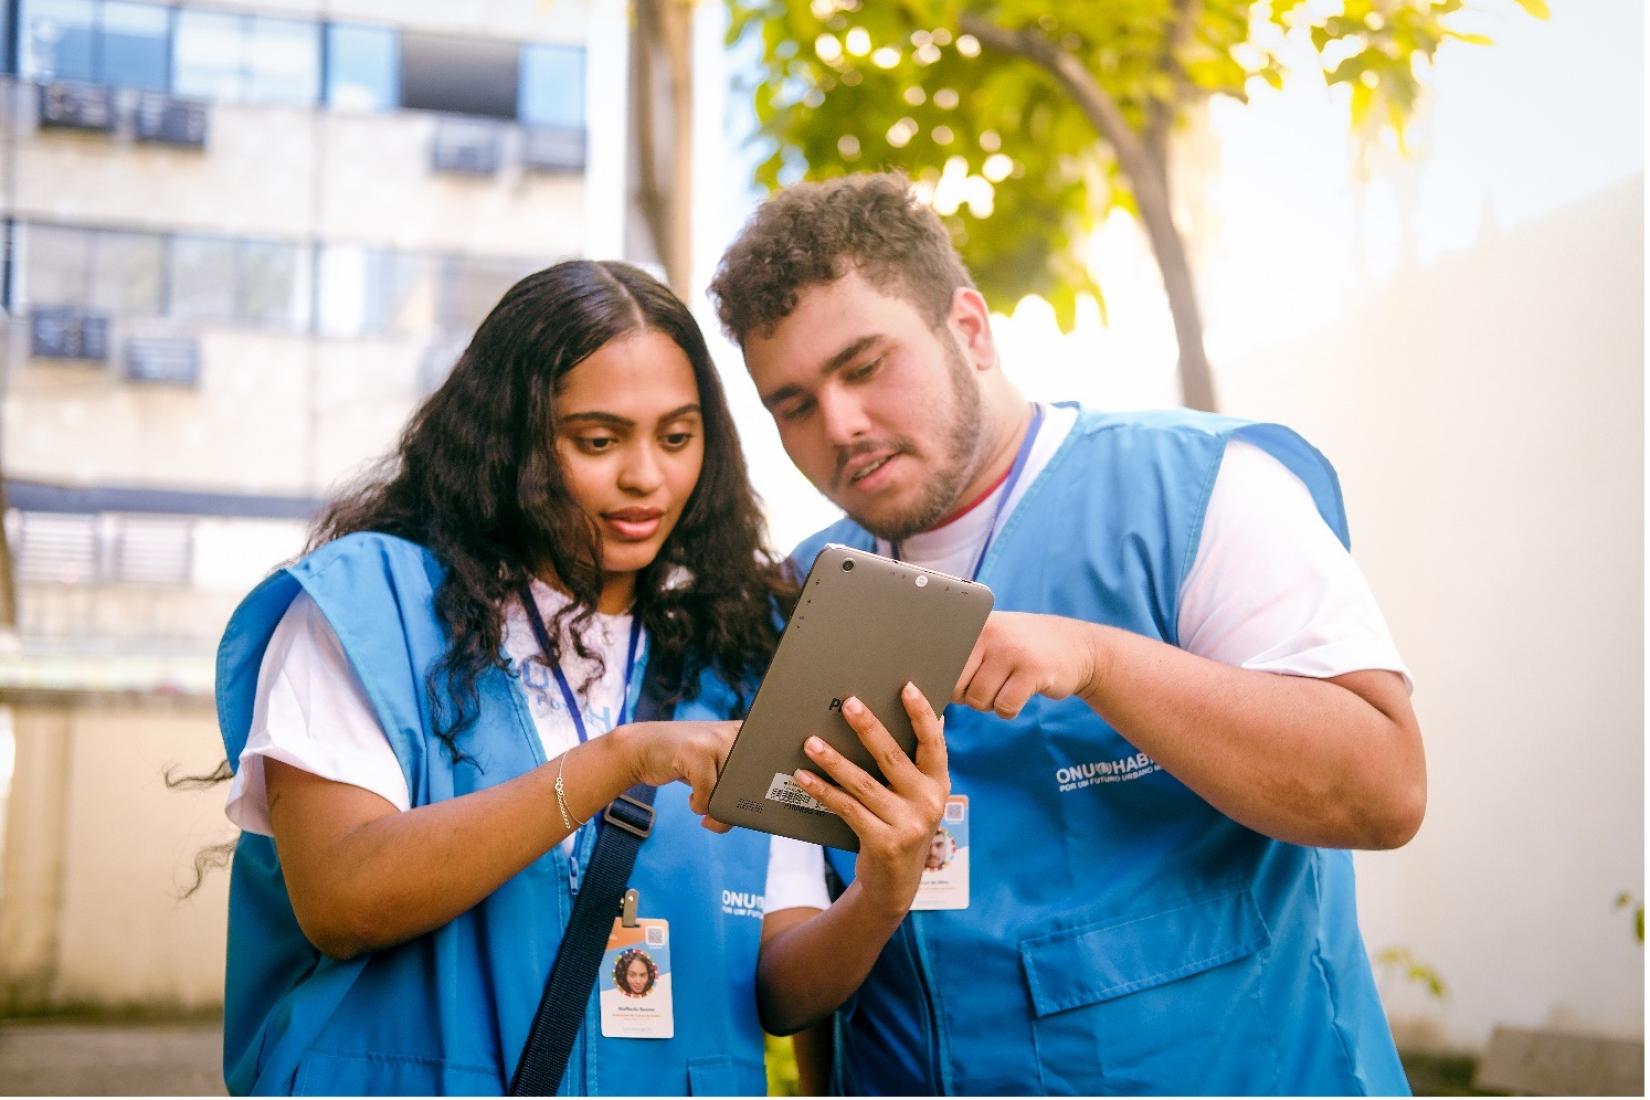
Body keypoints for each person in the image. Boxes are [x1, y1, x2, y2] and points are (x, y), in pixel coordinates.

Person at [708, 173, 1427, 1095]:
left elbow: (1384, 788)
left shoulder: (1201, 488)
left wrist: (1101, 662)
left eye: (865, 366)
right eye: (793, 403)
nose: (840, 424)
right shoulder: (799, 593)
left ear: (969, 329)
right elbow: (805, 954)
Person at [214, 259, 790, 1095]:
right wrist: (617, 761)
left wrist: (885, 881)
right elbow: (341, 898)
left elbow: (781, 985)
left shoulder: (733, 647)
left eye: (677, 436)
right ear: (511, 441)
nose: (646, 477)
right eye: (598, 440)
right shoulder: (365, 605)